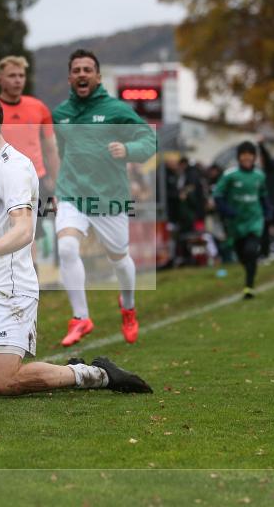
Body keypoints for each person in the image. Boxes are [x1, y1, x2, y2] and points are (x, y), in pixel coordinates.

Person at [0, 91, 153, 396]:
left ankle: (94, 374)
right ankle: (80, 370)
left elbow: (23, 231)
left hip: (7, 289)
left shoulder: (13, 168)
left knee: (5, 381)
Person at [52, 49, 158, 347]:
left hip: (110, 197)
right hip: (72, 193)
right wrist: (60, 185)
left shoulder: (116, 110)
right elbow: (62, 152)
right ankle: (80, 317)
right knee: (67, 247)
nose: (82, 74)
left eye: (88, 69)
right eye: (77, 70)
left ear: (97, 77)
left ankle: (128, 307)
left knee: (120, 260)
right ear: (70, 77)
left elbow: (148, 139)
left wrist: (128, 151)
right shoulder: (61, 115)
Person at [0, 55, 60, 266]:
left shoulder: (38, 108)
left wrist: (57, 187)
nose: (17, 80)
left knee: (29, 237)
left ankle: (30, 288)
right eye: (12, 75)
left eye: (21, 75)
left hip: (33, 182)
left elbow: (51, 150)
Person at [213, 142, 270, 299]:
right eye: (243, 154)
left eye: (250, 154)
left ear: (254, 157)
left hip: (254, 220)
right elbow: (217, 195)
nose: (246, 157)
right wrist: (227, 210)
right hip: (236, 224)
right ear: (238, 157)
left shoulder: (259, 176)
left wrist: (268, 211)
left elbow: (264, 196)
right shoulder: (230, 175)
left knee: (251, 251)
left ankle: (249, 287)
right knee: (242, 255)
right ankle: (250, 271)